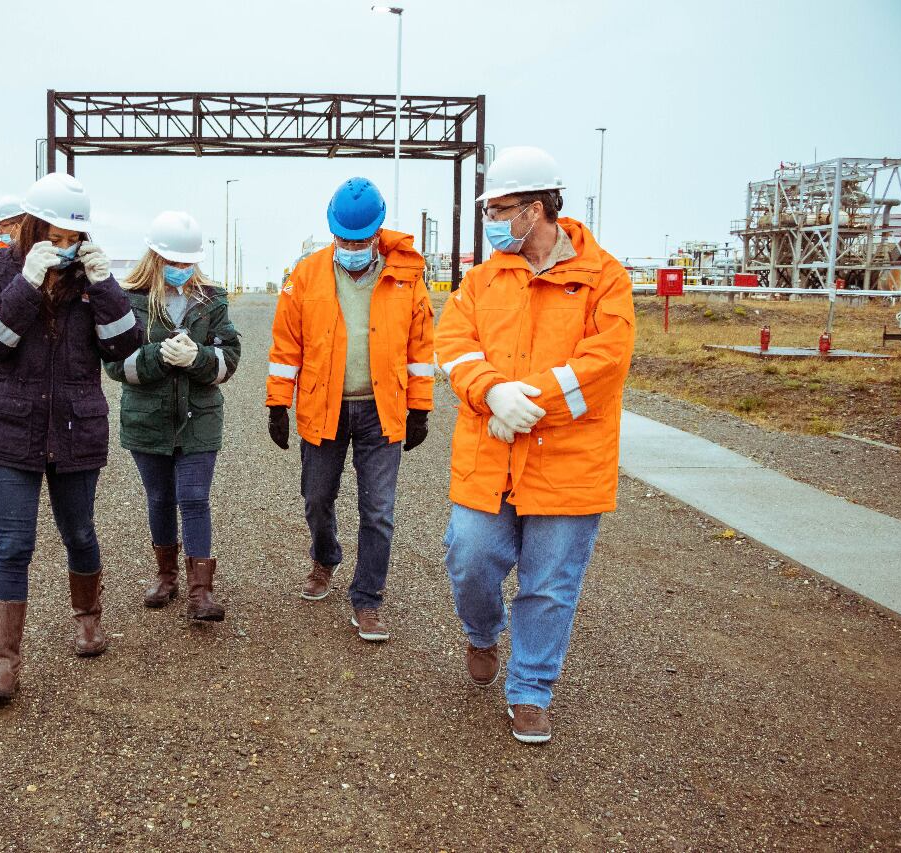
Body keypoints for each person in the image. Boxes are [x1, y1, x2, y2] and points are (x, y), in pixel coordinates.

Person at [435, 146, 636, 744]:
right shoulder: (481, 278)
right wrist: (492, 394)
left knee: (549, 584)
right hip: (489, 454)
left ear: (538, 209)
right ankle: (482, 632)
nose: (492, 219)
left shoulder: (604, 278)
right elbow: (455, 344)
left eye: (501, 208)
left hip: (569, 464)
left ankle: (529, 690)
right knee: (469, 557)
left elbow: (605, 364)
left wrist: (530, 405)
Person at [0, 173, 143, 703]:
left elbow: (123, 347)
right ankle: (4, 662)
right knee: (13, 544)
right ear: (32, 225)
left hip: (76, 425)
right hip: (11, 427)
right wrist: (26, 284)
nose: (64, 247)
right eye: (54, 236)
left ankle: (87, 620)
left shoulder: (92, 277)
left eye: (72, 238)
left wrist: (107, 287)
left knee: (80, 533)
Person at [265, 177, 435, 643]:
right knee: (317, 498)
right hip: (324, 408)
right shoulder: (306, 275)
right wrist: (279, 403)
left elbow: (420, 348)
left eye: (361, 240)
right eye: (344, 238)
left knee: (378, 511)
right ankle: (325, 558)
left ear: (377, 233)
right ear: (332, 232)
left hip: (382, 411)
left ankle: (368, 599)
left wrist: (419, 407)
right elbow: (286, 346)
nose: (352, 247)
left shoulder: (406, 277)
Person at [104, 211, 241, 621]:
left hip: (199, 418)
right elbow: (114, 364)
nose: (181, 269)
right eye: (174, 262)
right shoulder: (127, 300)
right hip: (147, 419)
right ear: (155, 256)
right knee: (160, 498)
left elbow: (229, 357)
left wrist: (199, 358)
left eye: (187, 262)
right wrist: (156, 357)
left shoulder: (212, 299)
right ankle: (166, 576)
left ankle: (201, 592)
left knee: (194, 498)